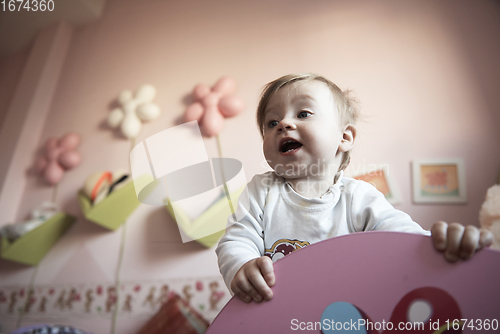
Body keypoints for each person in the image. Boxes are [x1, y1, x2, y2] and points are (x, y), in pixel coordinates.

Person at [215, 73, 494, 304]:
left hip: (353, 311)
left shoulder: (359, 197)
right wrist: (242, 264)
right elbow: (237, 239)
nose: (284, 124)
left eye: (303, 113)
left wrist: (444, 244)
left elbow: (405, 244)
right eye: (271, 122)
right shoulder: (261, 191)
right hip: (280, 311)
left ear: (345, 136)